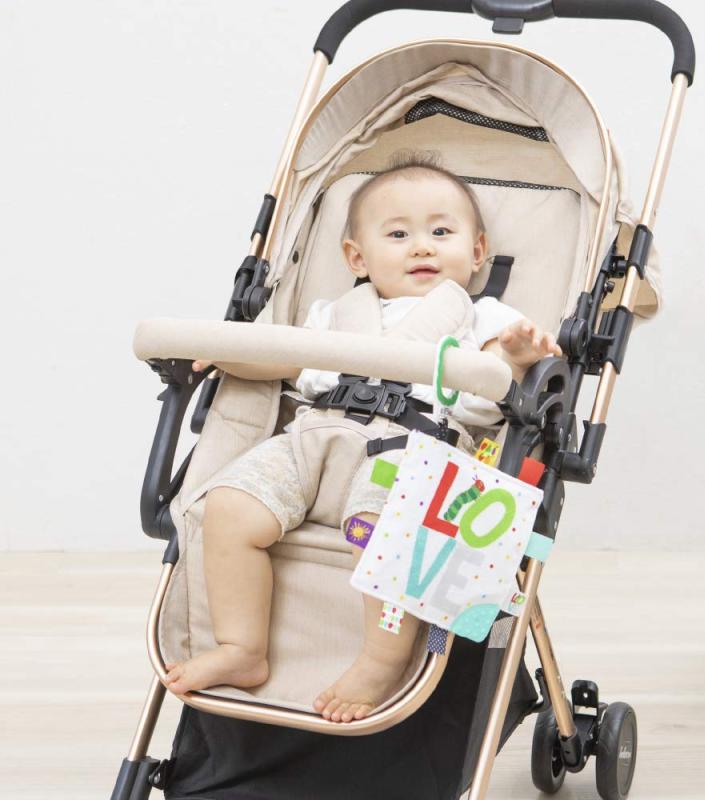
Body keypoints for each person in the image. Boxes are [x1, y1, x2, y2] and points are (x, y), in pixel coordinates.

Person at [163, 155, 562, 724]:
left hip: (413, 448)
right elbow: (282, 361)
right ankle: (241, 647)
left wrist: (516, 355)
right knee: (227, 506)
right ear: (356, 257)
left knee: (386, 527)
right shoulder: (335, 314)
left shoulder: (482, 316)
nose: (421, 247)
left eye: (441, 232)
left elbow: (492, 385)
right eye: (398, 235)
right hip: (314, 438)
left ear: (477, 252)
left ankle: (382, 659)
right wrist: (226, 352)